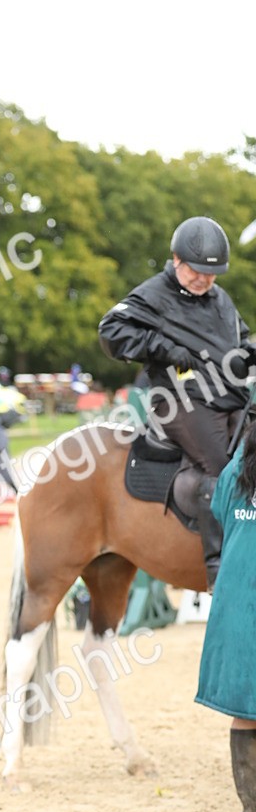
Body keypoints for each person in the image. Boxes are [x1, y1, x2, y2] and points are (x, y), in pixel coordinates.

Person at [98, 216, 256, 591]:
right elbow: (111, 331)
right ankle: (220, 568)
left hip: (228, 397)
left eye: (211, 274)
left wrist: (249, 352)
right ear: (177, 260)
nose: (204, 280)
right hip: (180, 402)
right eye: (198, 271)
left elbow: (241, 337)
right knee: (226, 468)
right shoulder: (154, 293)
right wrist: (162, 348)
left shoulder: (219, 298)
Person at [195, 417, 256, 812]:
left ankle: (251, 810)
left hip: (234, 597)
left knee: (243, 711)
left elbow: (217, 509)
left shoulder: (236, 470)